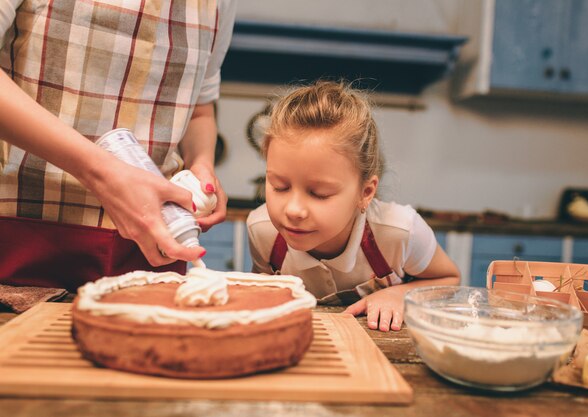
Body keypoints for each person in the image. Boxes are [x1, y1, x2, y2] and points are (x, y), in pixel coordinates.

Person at [0, 0, 235, 290]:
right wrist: (101, 172)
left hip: (152, 249)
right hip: (20, 237)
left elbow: (199, 106)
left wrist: (202, 164)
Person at [247, 81, 461, 332]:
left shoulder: (400, 232)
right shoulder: (264, 233)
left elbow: (449, 281)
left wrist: (398, 295)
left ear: (365, 192)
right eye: (279, 186)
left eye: (320, 194)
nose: (293, 210)